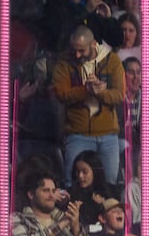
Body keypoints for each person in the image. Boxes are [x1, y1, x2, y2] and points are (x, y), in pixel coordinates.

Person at [52, 26, 124, 187]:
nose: (77, 55)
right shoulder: (64, 63)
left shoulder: (112, 60)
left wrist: (100, 93)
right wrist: (86, 90)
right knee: (72, 183)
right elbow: (61, 93)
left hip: (108, 135)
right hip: (78, 134)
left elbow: (119, 95)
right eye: (74, 50)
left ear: (93, 44)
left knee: (110, 184)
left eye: (81, 50)